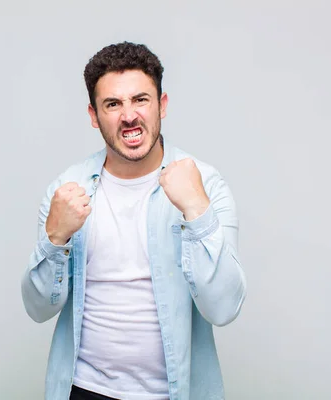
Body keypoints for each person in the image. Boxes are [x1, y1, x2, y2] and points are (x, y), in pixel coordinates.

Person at [20, 42, 247, 400]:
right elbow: (37, 308)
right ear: (94, 116)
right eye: (113, 104)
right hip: (85, 389)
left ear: (162, 105)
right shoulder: (67, 189)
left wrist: (197, 211)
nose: (129, 116)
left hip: (173, 392)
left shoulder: (205, 183)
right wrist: (55, 237)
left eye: (140, 99)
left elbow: (224, 309)